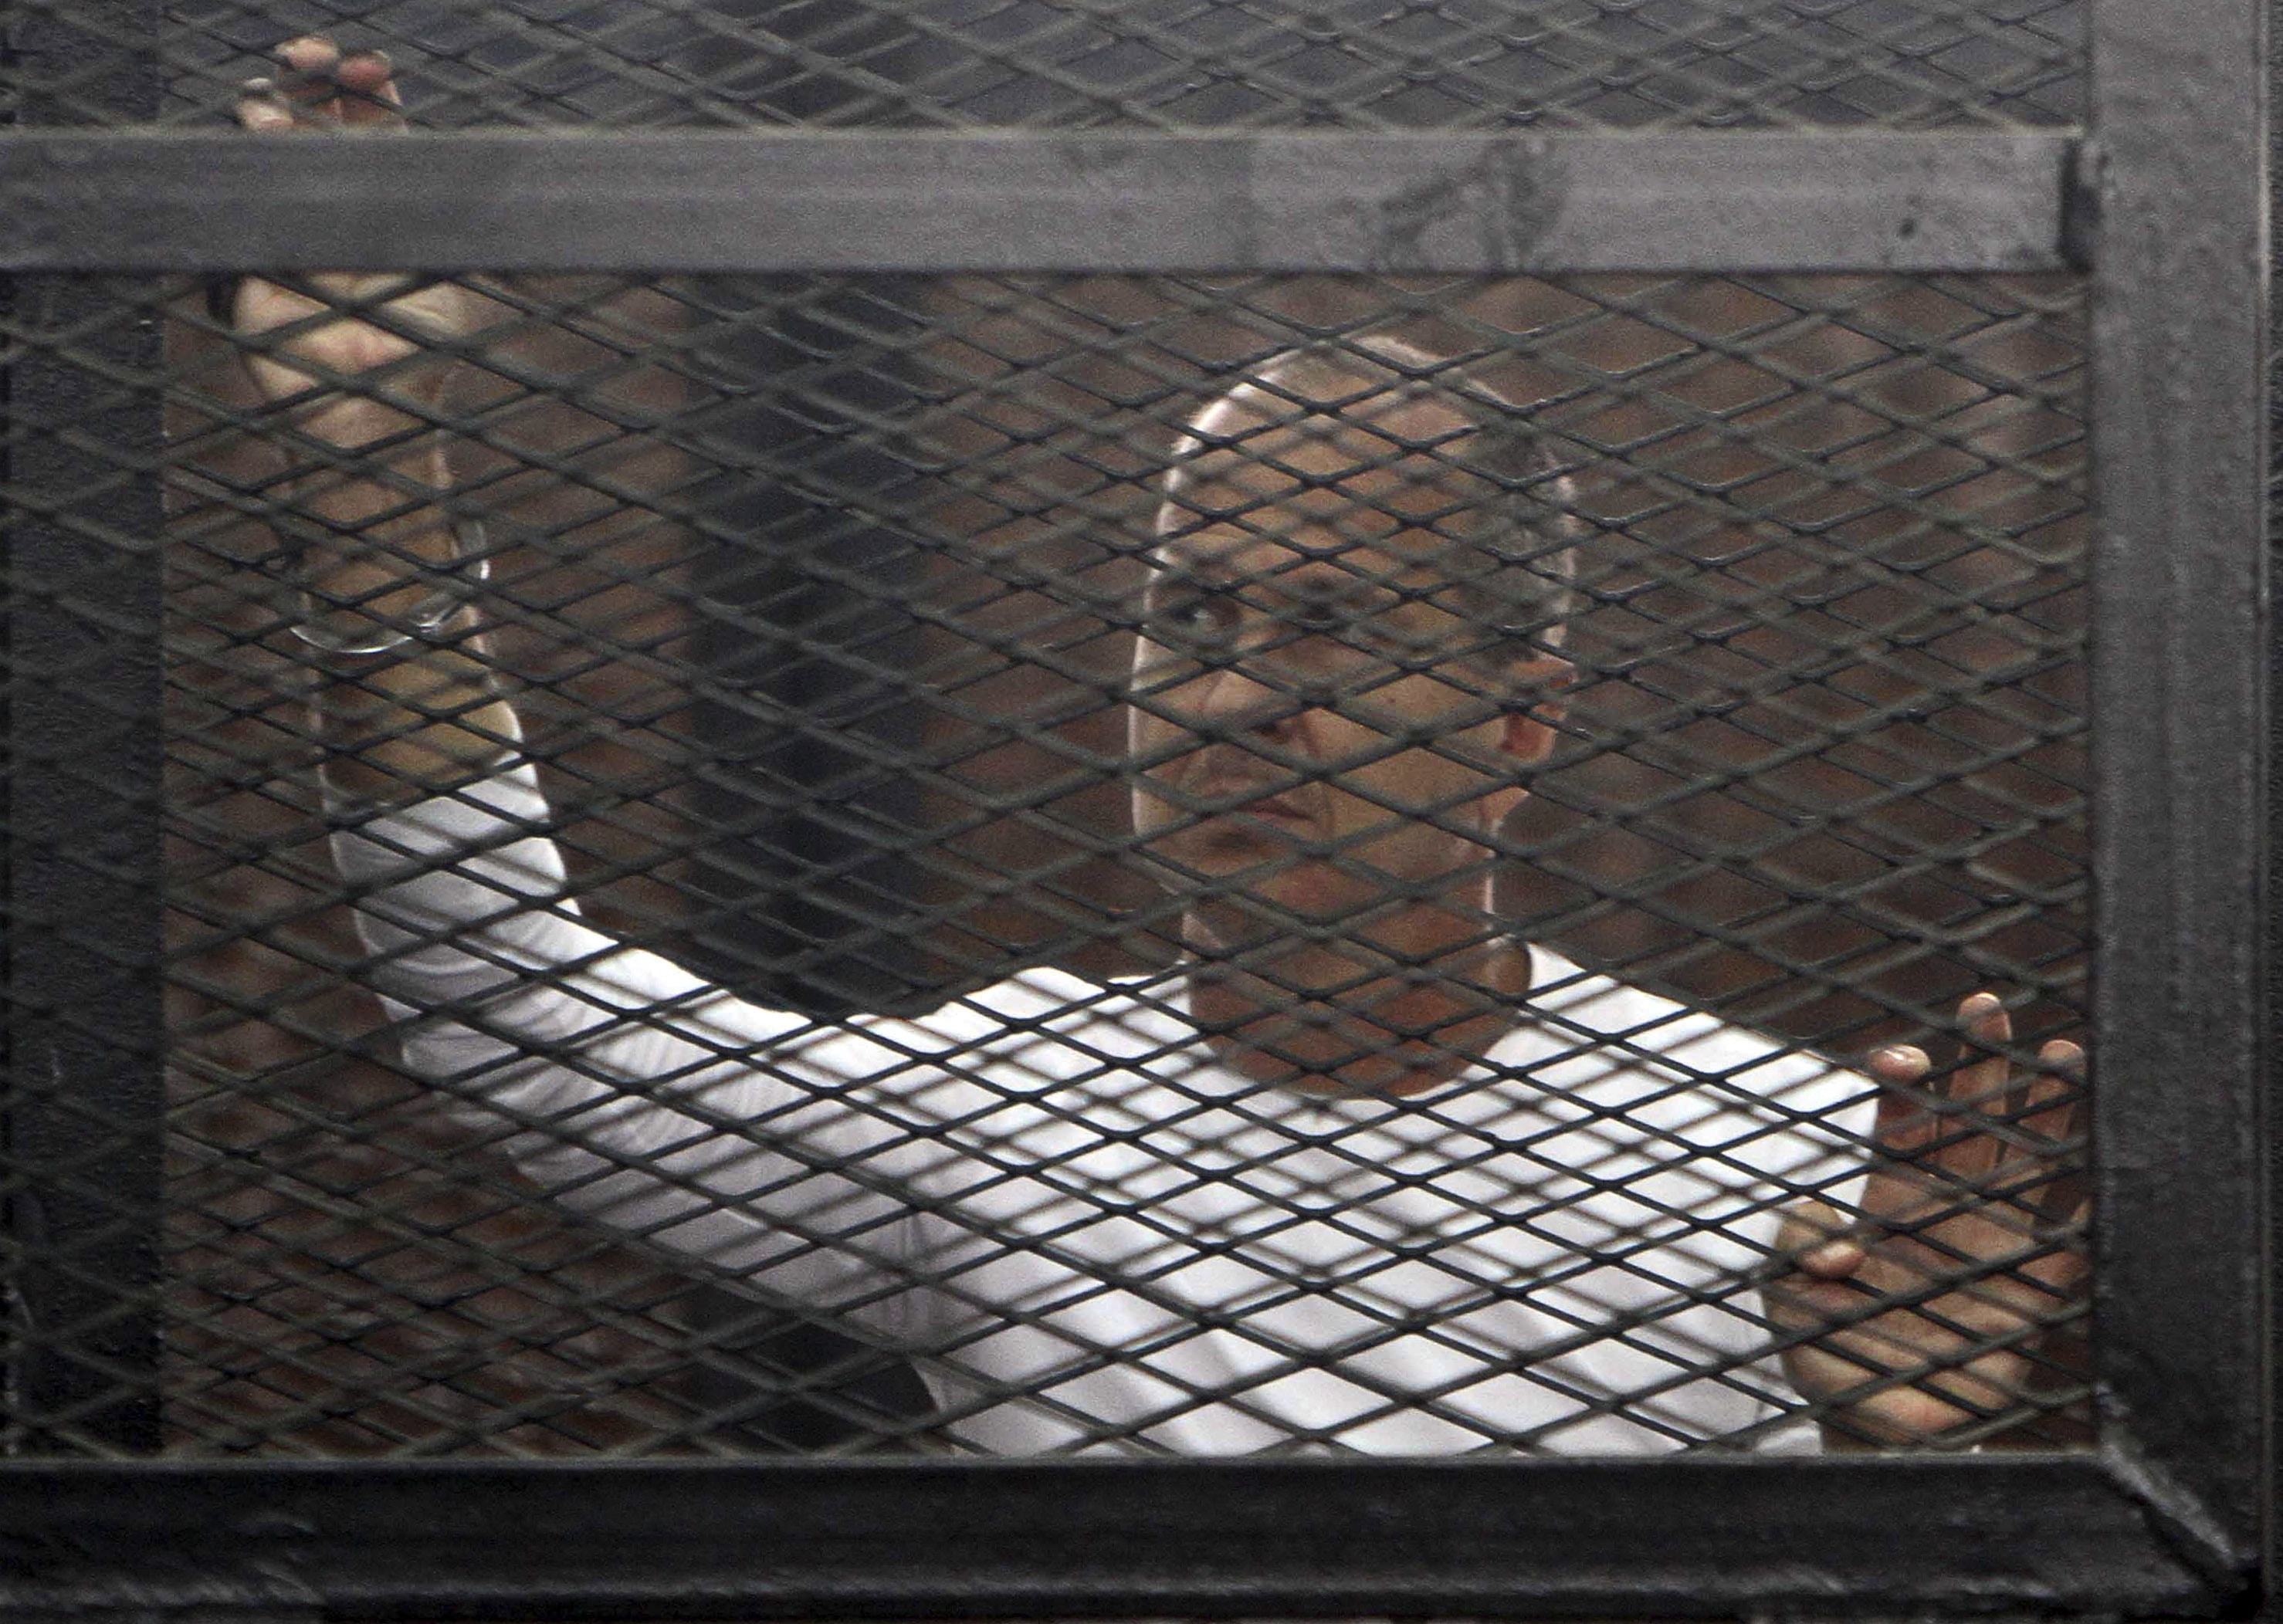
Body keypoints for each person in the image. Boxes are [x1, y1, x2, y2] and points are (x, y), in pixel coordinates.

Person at [232, 39, 2090, 1455]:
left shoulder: (1785, 1168)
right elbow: (514, 1014)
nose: (1225, 697)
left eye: (1329, 630)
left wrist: (1908, 1477)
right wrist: (374, 467)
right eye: (1190, 622)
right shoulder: (1001, 1116)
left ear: (1515, 724)